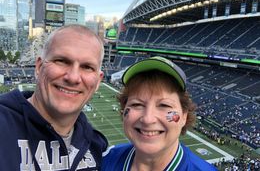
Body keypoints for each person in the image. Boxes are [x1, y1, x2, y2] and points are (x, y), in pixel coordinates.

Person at [0, 25, 108, 170]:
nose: (73, 77)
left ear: (98, 81)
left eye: (87, 67)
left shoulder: (98, 146)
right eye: (62, 61)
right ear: (39, 67)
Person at [102, 56, 217, 171]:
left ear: (184, 117)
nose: (148, 119)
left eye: (164, 105)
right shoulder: (105, 160)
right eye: (137, 104)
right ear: (123, 110)